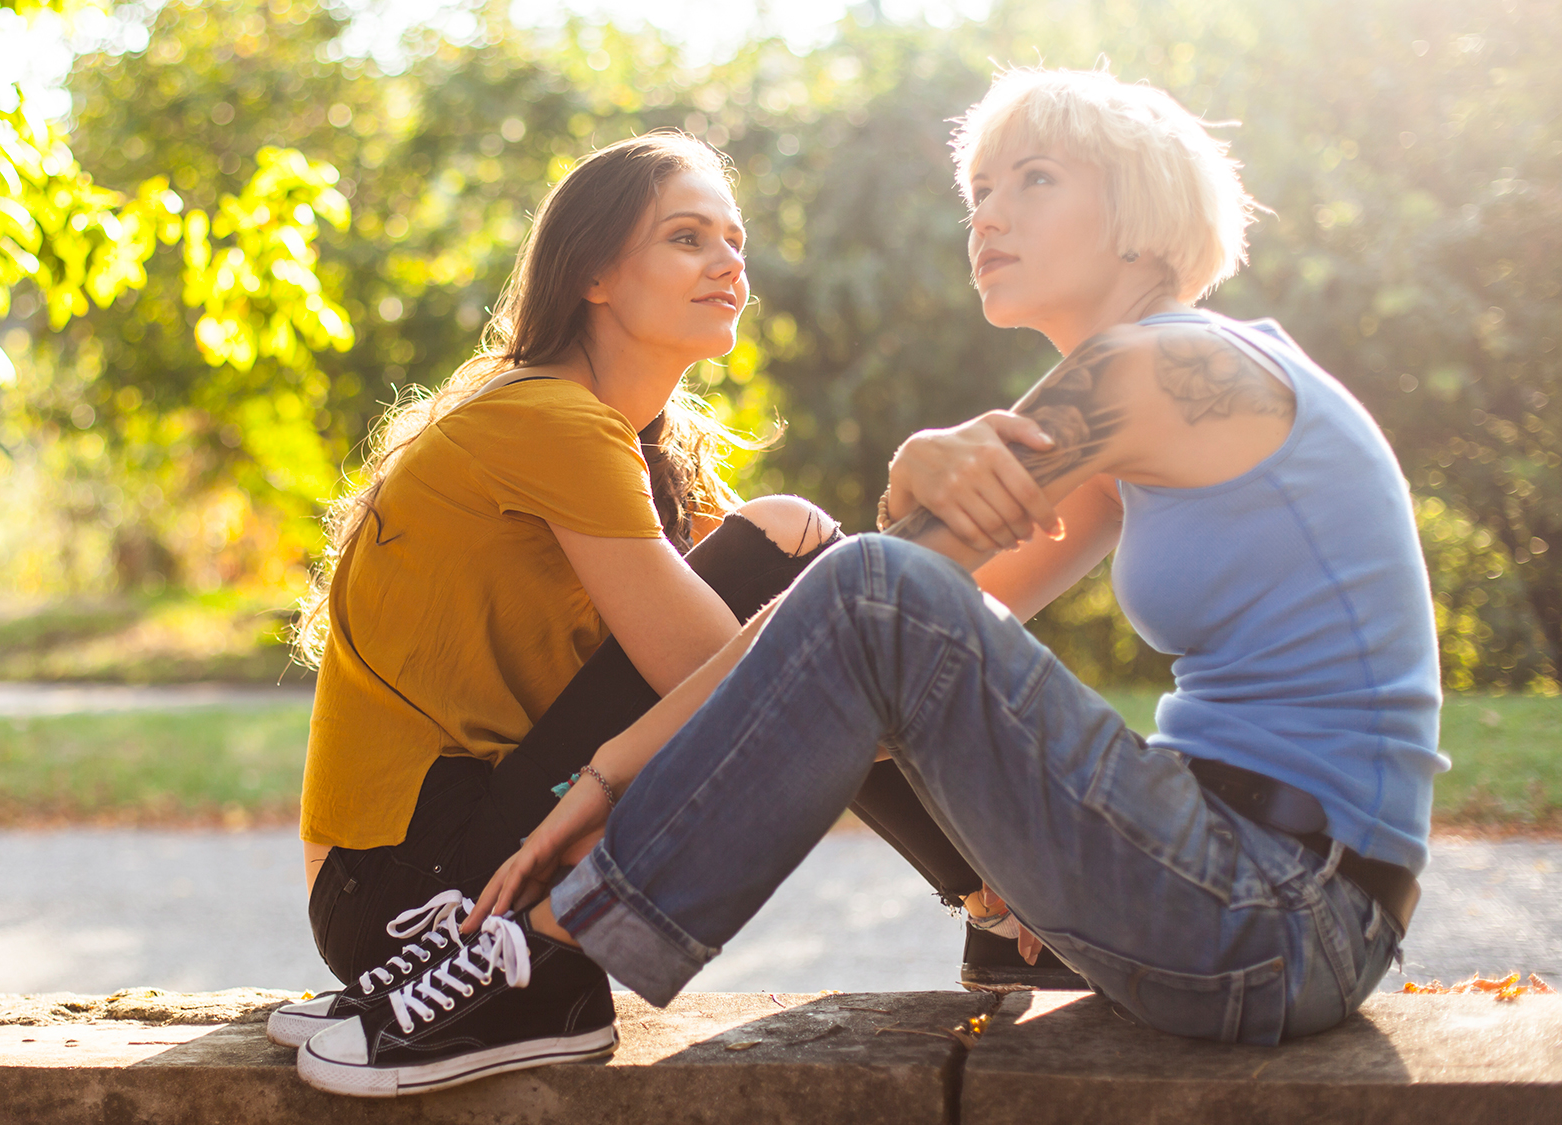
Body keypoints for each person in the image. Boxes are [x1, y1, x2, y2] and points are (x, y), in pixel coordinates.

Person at [290, 67, 1445, 1097]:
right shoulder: (1137, 415)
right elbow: (845, 635)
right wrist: (600, 779)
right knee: (868, 584)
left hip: (1284, 914)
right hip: (1234, 903)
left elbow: (872, 599)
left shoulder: (1169, 362)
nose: (986, 213)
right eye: (979, 190)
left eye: (1032, 179)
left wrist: (901, 489)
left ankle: (535, 961)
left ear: (1141, 212)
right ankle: (576, 946)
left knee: (871, 582)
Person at [268, 132, 850, 1047]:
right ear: (595, 275)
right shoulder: (552, 420)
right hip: (414, 898)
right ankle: (994, 902)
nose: (729, 261)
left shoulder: (616, 439)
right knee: (801, 551)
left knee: (825, 584)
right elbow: (739, 688)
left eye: (735, 240)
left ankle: (989, 903)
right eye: (688, 237)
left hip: (426, 875)